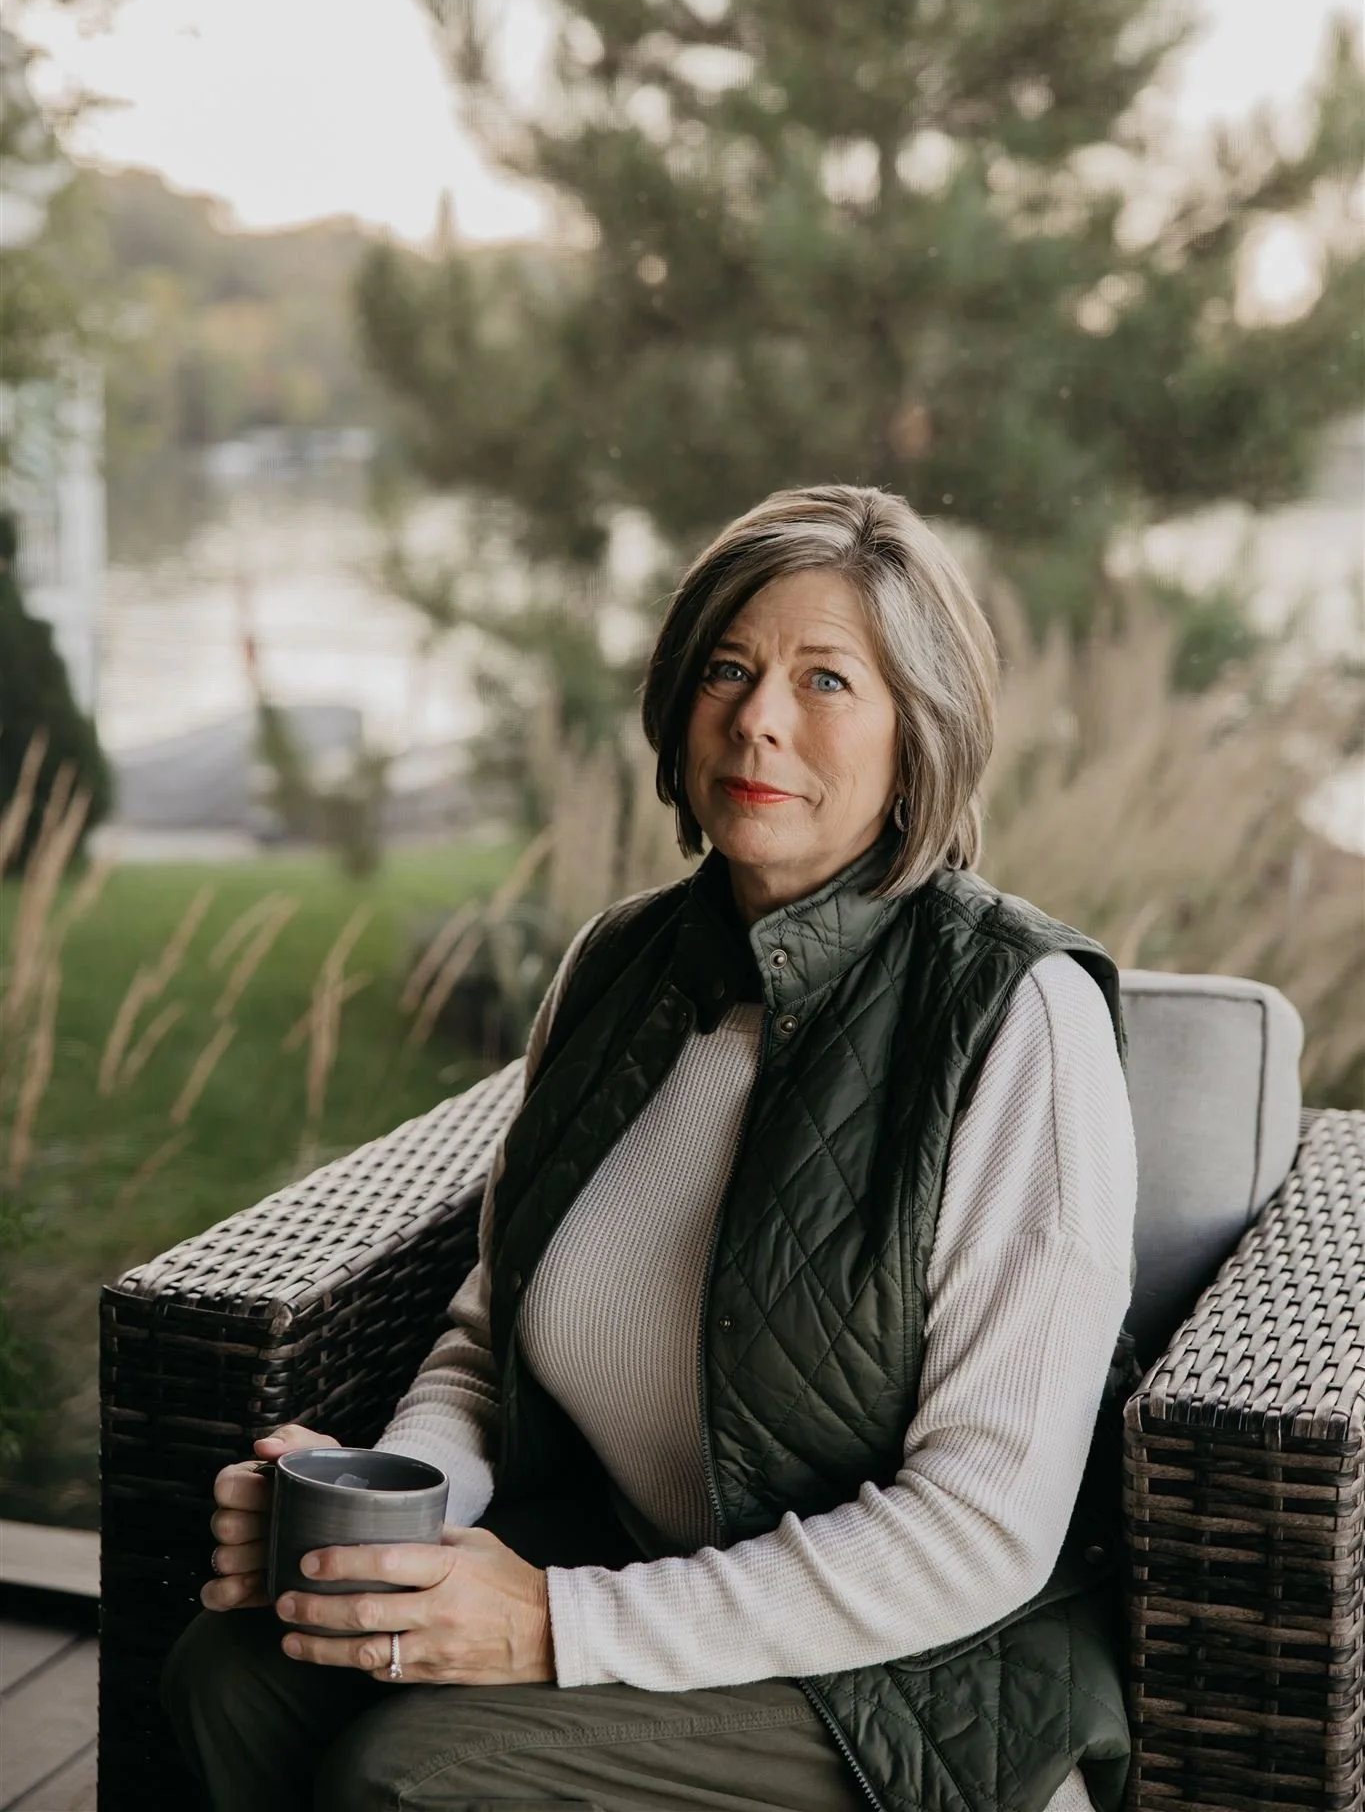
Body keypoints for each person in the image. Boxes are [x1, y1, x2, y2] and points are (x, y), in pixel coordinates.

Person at [164, 485, 1137, 1812]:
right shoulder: (618, 967)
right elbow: (484, 1338)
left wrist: (555, 1626)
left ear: (920, 740)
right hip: (621, 1564)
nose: (760, 718)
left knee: (417, 1778)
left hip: (914, 1672)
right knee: (235, 1668)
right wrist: (394, 1519)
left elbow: (981, 1526)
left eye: (827, 680)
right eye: (728, 670)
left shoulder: (1016, 1014)